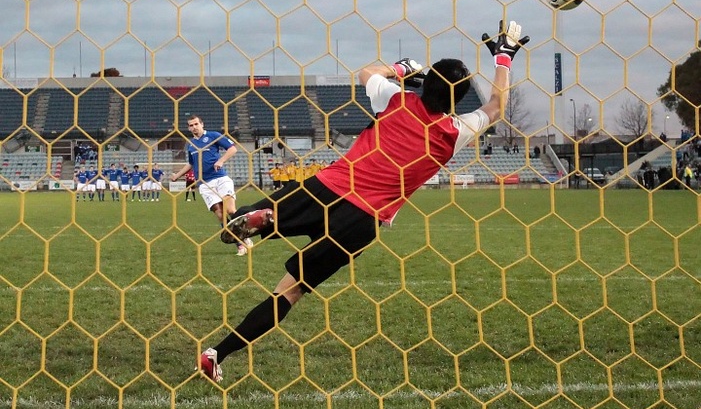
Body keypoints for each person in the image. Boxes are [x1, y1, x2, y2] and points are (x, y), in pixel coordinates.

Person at [198, 20, 529, 382]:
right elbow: (497, 107)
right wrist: (504, 57)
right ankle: (217, 354)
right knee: (288, 293)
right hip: (360, 220)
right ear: (458, 99)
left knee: (268, 211)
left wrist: (401, 70)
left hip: (326, 187)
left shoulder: (397, 99)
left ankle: (261, 218)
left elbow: (366, 72)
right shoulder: (454, 133)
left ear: (426, 82)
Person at [170, 114, 250, 255]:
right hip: (204, 184)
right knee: (220, 214)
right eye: (191, 125)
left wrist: (221, 161)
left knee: (231, 210)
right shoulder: (190, 144)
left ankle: (246, 235)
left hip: (220, 179)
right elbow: (191, 163)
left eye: (196, 124)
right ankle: (240, 245)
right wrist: (177, 175)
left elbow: (232, 149)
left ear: (202, 124)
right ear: (188, 128)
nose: (194, 127)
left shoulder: (214, 136)